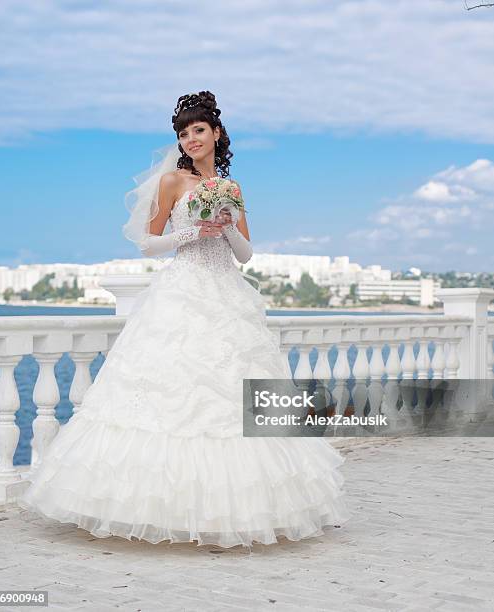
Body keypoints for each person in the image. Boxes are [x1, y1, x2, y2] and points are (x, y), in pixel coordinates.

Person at [18, 90, 352, 548]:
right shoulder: (173, 183)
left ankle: (240, 509)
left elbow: (246, 255)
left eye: (199, 130)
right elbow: (148, 242)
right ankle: (139, 505)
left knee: (232, 396)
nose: (191, 139)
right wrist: (195, 230)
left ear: (216, 134)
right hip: (183, 289)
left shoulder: (232, 188)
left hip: (226, 296)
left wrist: (227, 224)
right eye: (183, 133)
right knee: (169, 393)